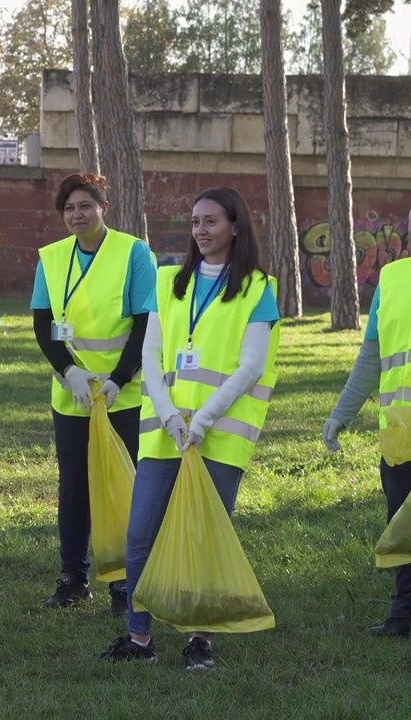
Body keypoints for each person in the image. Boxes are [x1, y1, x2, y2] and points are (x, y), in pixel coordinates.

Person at [101, 187, 279, 671]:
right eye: (196, 222)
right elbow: (151, 356)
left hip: (219, 434)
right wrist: (168, 415)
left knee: (204, 536)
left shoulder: (259, 287)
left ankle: (200, 639)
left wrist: (199, 421)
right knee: (140, 535)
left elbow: (251, 366)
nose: (201, 231)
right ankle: (140, 638)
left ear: (235, 227)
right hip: (165, 430)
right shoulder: (166, 281)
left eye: (212, 222)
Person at [31, 172, 156, 614]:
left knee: (122, 485)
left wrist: (119, 379)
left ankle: (124, 580)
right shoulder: (50, 258)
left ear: (104, 207)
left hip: (125, 392)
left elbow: (146, 325)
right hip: (73, 395)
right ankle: (73, 577)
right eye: (68, 208)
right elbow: (44, 326)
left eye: (86, 205)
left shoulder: (133, 253)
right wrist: (69, 373)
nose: (77, 215)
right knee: (74, 488)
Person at [323, 251, 411, 639]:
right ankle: (404, 613)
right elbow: (372, 357)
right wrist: (341, 414)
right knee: (403, 528)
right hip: (400, 434)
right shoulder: (391, 278)